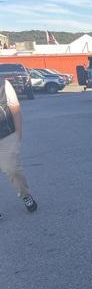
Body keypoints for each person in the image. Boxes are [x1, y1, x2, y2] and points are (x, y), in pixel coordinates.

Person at [0, 79, 37, 217]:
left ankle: (25, 195)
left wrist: (17, 134)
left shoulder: (4, 85)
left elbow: (15, 108)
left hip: (6, 135)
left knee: (12, 169)